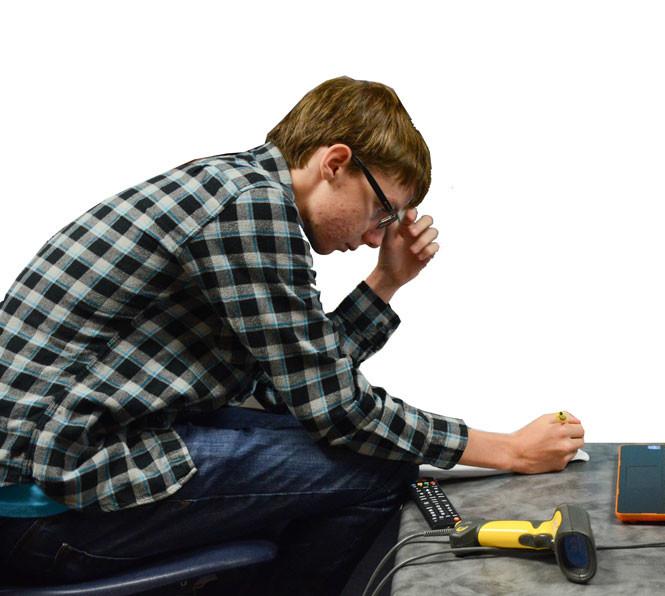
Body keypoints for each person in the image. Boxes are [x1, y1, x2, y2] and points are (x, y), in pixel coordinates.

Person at [0, 76, 585, 594]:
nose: (380, 235)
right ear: (335, 163)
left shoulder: (234, 189)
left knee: (326, 445)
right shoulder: (252, 208)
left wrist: (384, 283)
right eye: (384, 211)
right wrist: (507, 450)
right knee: (377, 470)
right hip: (47, 505)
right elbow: (338, 410)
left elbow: (292, 389)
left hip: (50, 480)